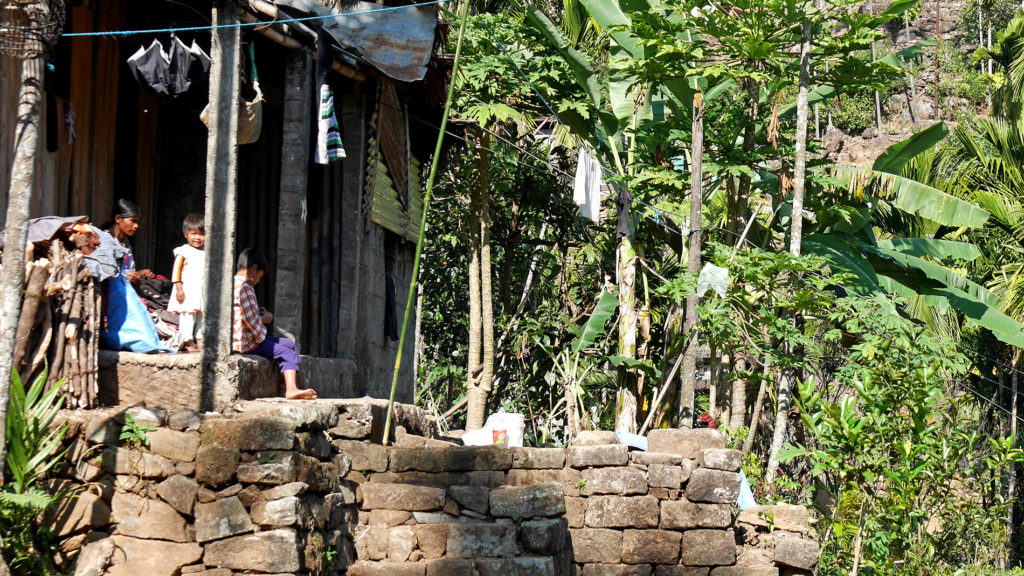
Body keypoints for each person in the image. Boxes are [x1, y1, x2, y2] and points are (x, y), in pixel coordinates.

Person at [233, 248, 317, 400]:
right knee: (287, 352)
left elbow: (245, 314)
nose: (259, 280)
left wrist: (260, 316)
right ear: (253, 269)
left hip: (247, 337)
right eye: (260, 275)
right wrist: (266, 319)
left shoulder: (234, 284)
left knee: (289, 344)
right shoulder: (245, 287)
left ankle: (286, 382)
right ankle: (291, 390)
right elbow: (253, 325)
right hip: (247, 343)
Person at [168, 214, 205, 352]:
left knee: (202, 318)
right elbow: (176, 272)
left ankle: (201, 342)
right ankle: (187, 343)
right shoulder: (183, 252)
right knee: (187, 318)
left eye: (201, 234)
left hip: (201, 293)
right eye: (193, 234)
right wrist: (179, 289)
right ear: (186, 234)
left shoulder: (207, 252)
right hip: (188, 292)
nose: (197, 238)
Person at [105, 199, 154, 285]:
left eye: (138, 222)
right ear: (118, 218)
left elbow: (128, 272)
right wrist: (125, 278)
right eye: (133, 221)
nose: (136, 226)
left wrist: (139, 274)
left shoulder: (126, 243)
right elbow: (105, 274)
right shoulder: (105, 240)